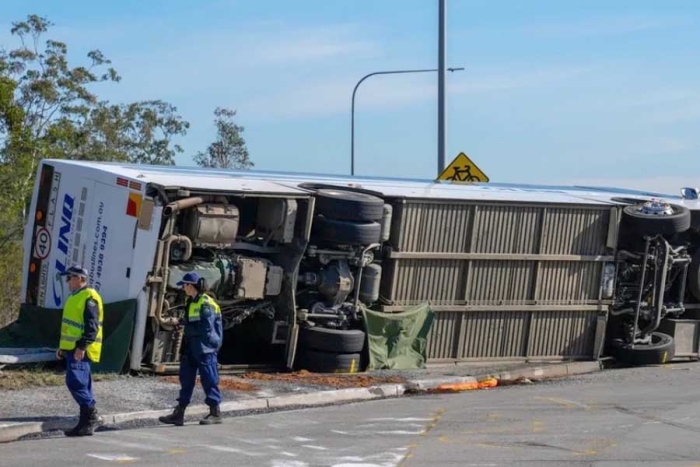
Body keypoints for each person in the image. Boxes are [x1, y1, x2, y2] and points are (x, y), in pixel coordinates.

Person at [159, 272, 224, 426]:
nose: (183, 287)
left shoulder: (206, 303)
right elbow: (193, 321)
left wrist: (185, 324)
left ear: (191, 285)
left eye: (185, 284)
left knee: (209, 379)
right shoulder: (192, 302)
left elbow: (206, 328)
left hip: (205, 347)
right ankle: (179, 413)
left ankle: (215, 412)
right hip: (192, 346)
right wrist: (181, 322)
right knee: (186, 379)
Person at [56, 265, 104, 437]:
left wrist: (81, 346)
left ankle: (91, 414)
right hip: (73, 349)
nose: (67, 281)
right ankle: (85, 423)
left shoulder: (89, 297)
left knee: (75, 382)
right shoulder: (75, 296)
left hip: (81, 350)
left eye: (69, 277)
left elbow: (92, 327)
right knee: (83, 384)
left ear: (79, 278)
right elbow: (71, 326)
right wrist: (63, 348)